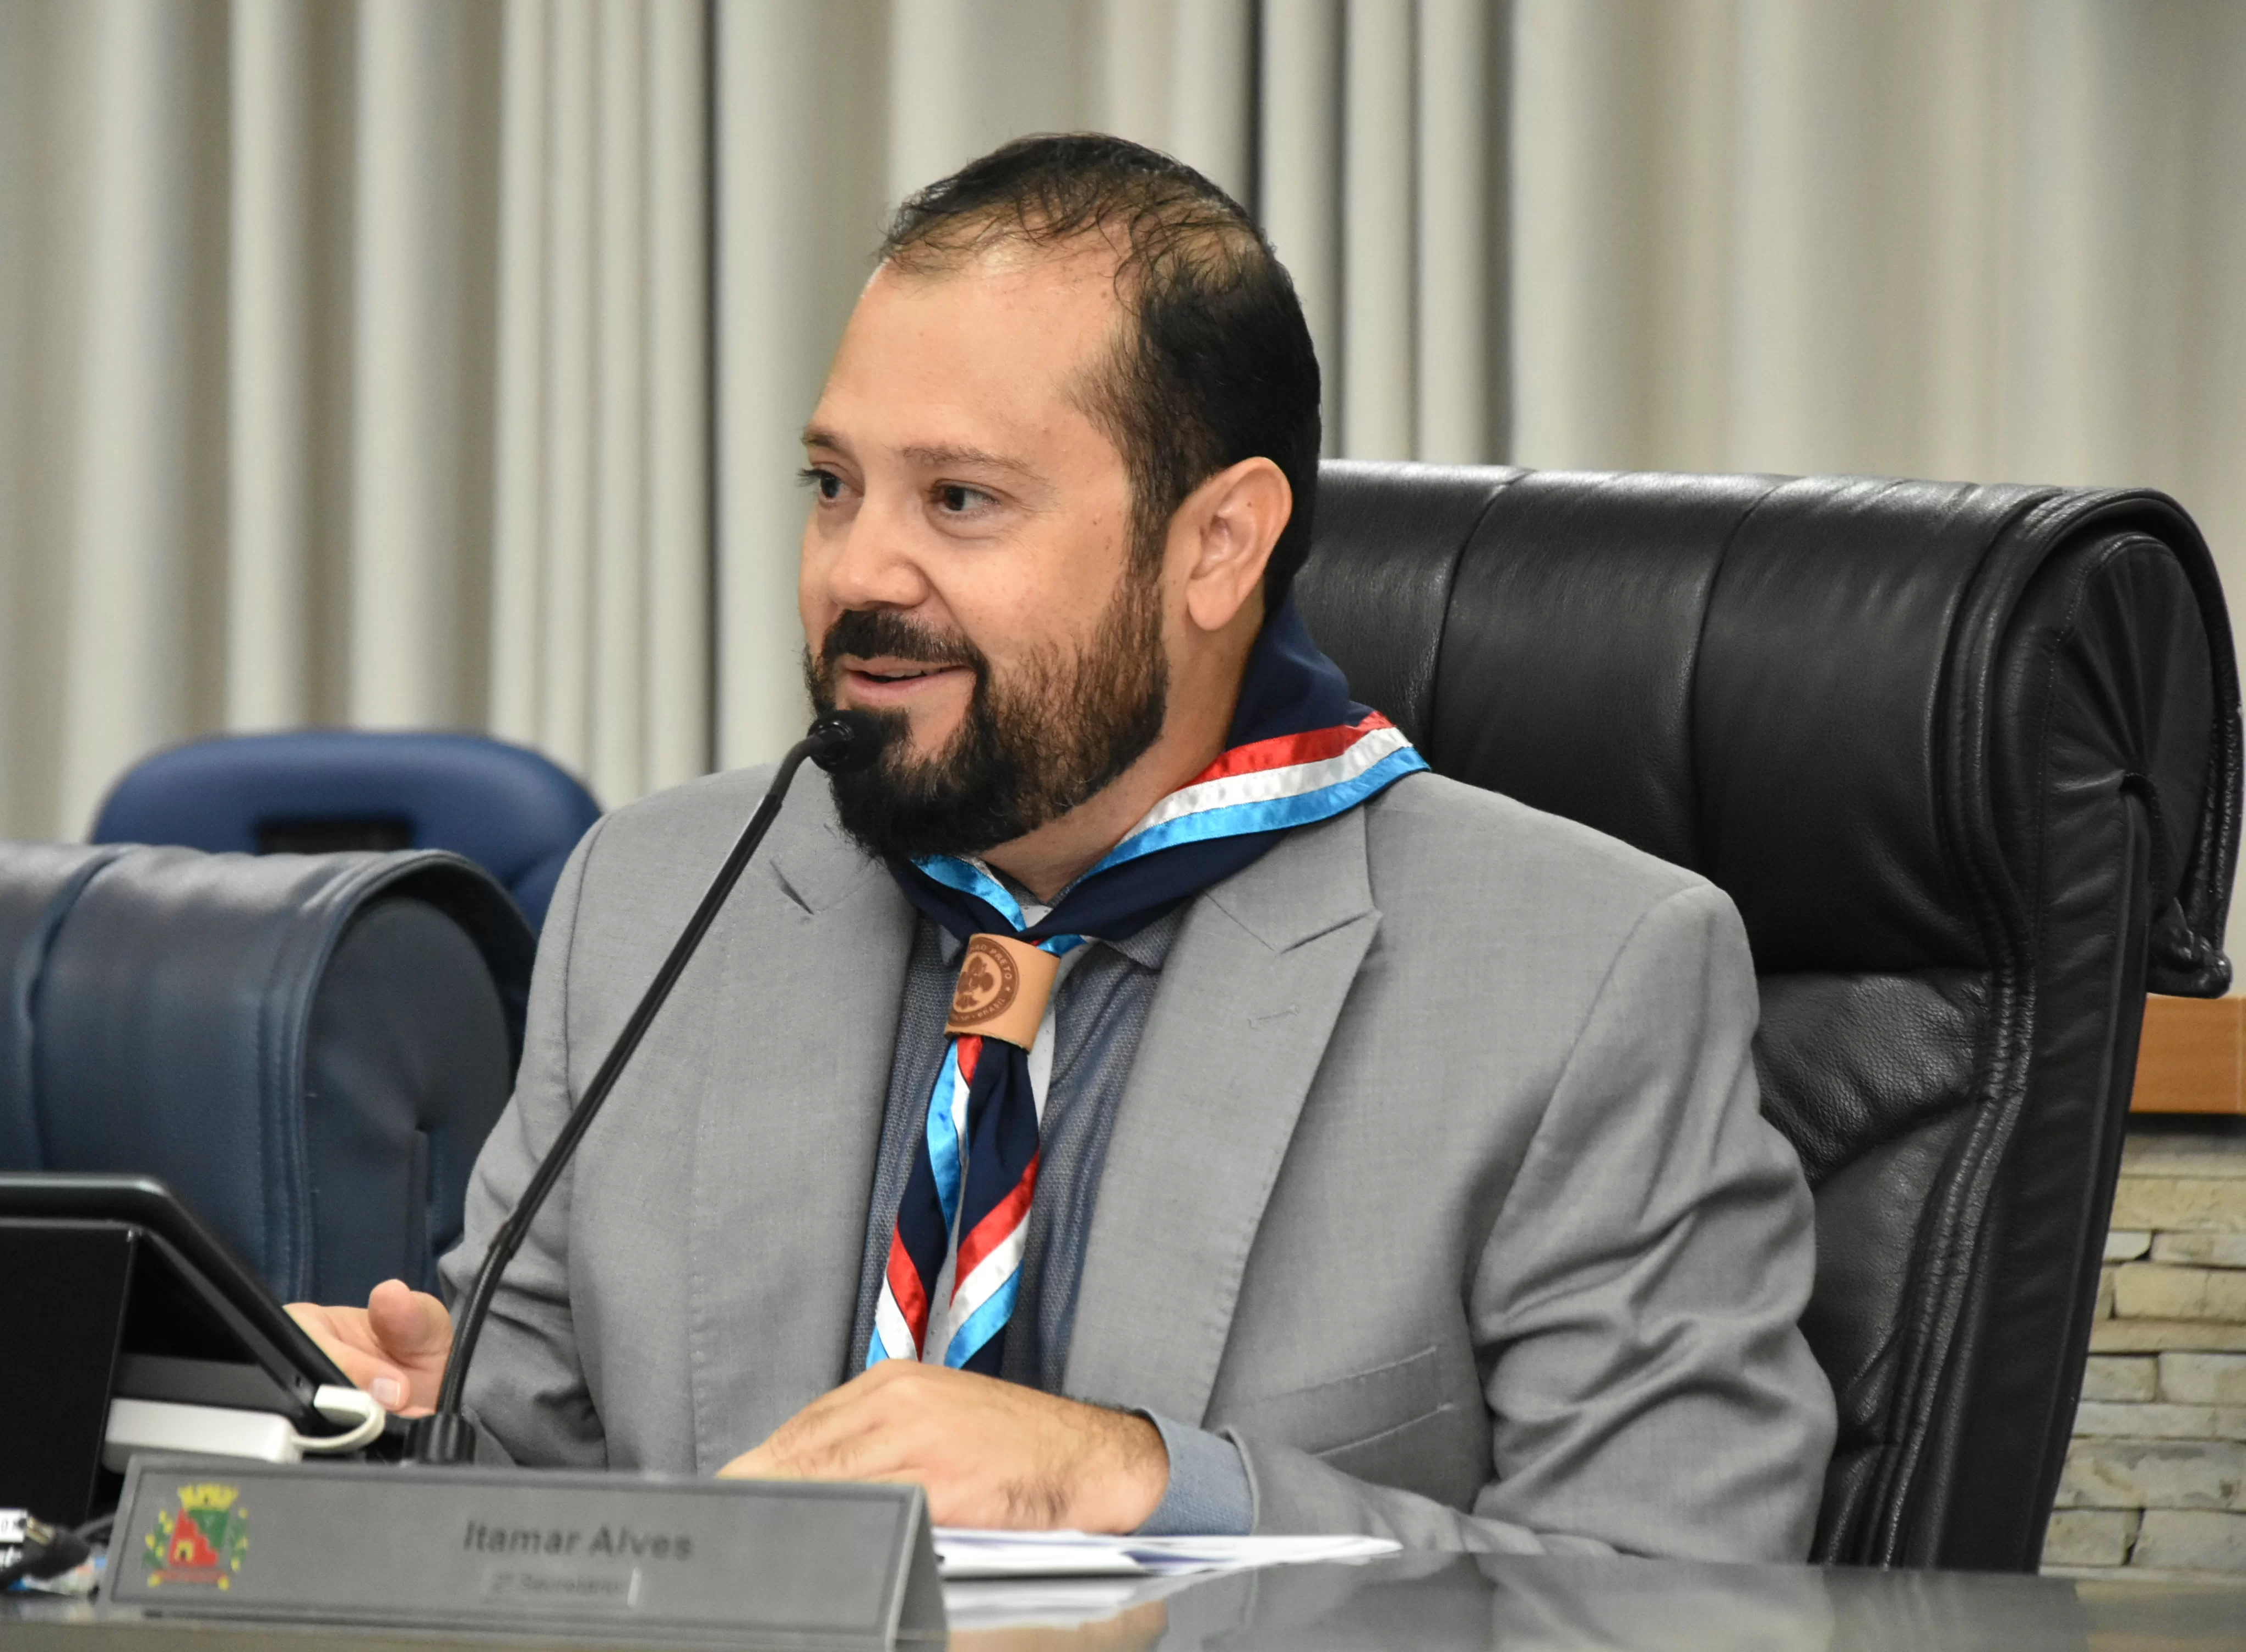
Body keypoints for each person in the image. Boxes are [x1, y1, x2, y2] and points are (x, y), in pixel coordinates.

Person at [289, 133, 1836, 1556]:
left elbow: (1681, 1596)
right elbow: (564, 1474)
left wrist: (1147, 1487)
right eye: (833, 487)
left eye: (961, 499)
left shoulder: (1585, 980)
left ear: (1217, 544)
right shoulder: (659, 899)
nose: (858, 572)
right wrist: (417, 1430)